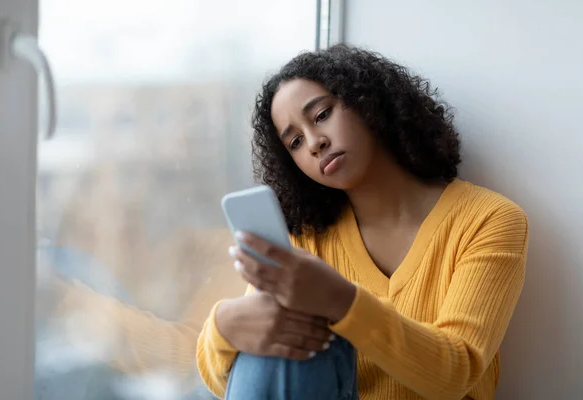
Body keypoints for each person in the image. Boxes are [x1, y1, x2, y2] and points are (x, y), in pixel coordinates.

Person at [196, 44, 529, 400]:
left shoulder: (488, 220)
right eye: (294, 141)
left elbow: (453, 375)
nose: (314, 143)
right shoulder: (307, 241)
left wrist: (340, 300)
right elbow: (252, 379)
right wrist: (222, 328)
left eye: (322, 115)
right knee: (276, 345)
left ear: (368, 101)